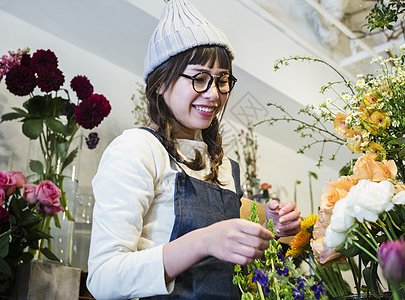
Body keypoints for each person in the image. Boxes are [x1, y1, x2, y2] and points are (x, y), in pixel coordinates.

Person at [86, 0, 301, 298]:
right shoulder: (136, 150)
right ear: (160, 83)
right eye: (199, 79)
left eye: (222, 80)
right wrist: (203, 242)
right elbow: (104, 278)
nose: (214, 94)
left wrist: (274, 230)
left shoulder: (223, 167)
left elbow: (230, 270)